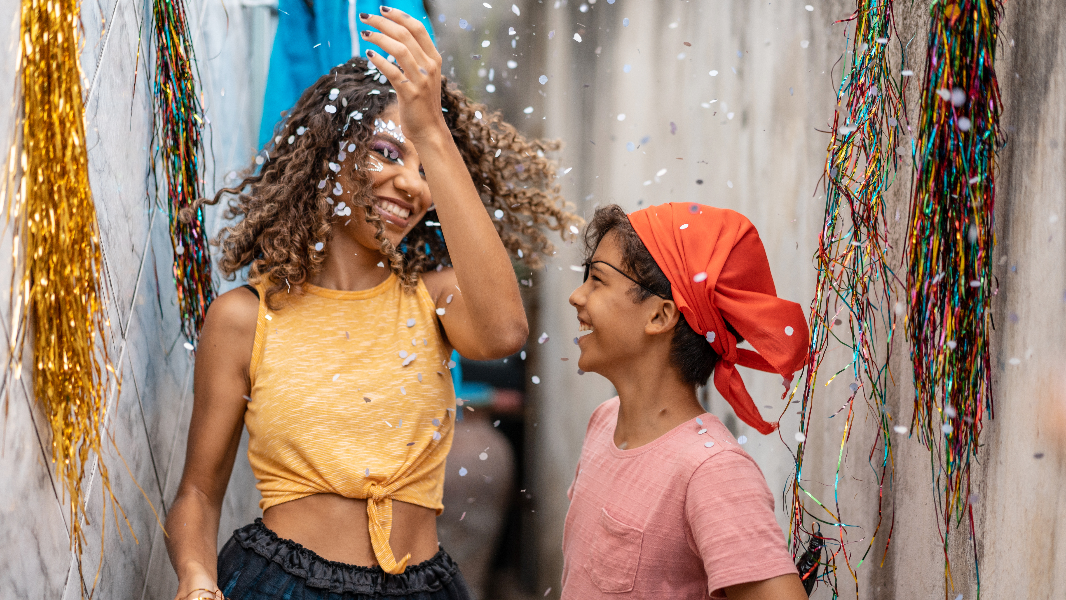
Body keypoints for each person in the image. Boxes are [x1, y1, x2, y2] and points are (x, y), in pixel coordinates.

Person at [165, 8, 578, 600]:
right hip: (279, 586)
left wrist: (431, 129)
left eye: (423, 166)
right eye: (387, 152)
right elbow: (197, 496)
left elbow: (504, 331)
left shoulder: (434, 301)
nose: (412, 184)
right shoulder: (244, 319)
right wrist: (198, 577)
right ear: (326, 156)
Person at [562, 203, 810, 600]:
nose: (577, 296)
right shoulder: (604, 421)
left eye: (597, 280)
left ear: (661, 316)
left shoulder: (711, 471)